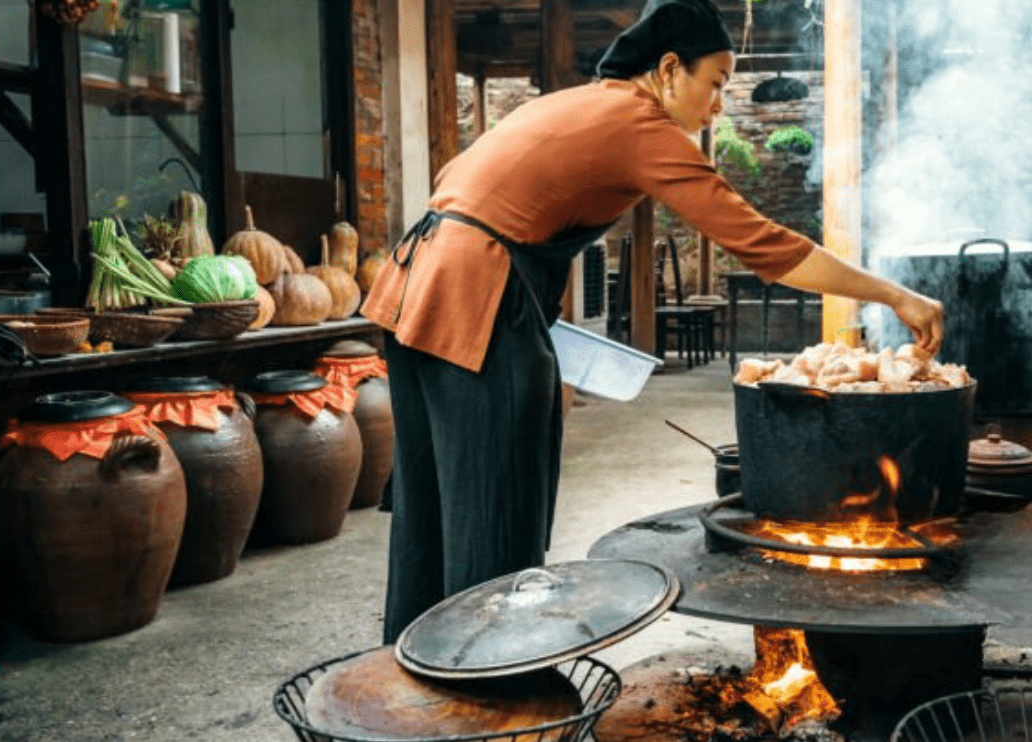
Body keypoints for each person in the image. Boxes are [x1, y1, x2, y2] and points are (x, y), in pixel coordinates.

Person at [359, 0, 945, 644]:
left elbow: (469, 189)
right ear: (669, 70)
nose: (720, 104)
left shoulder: (577, 103)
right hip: (473, 299)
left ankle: (407, 686)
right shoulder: (640, 124)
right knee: (495, 506)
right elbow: (764, 246)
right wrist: (895, 296)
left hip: (413, 287)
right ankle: (488, 684)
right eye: (716, 83)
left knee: (431, 509)